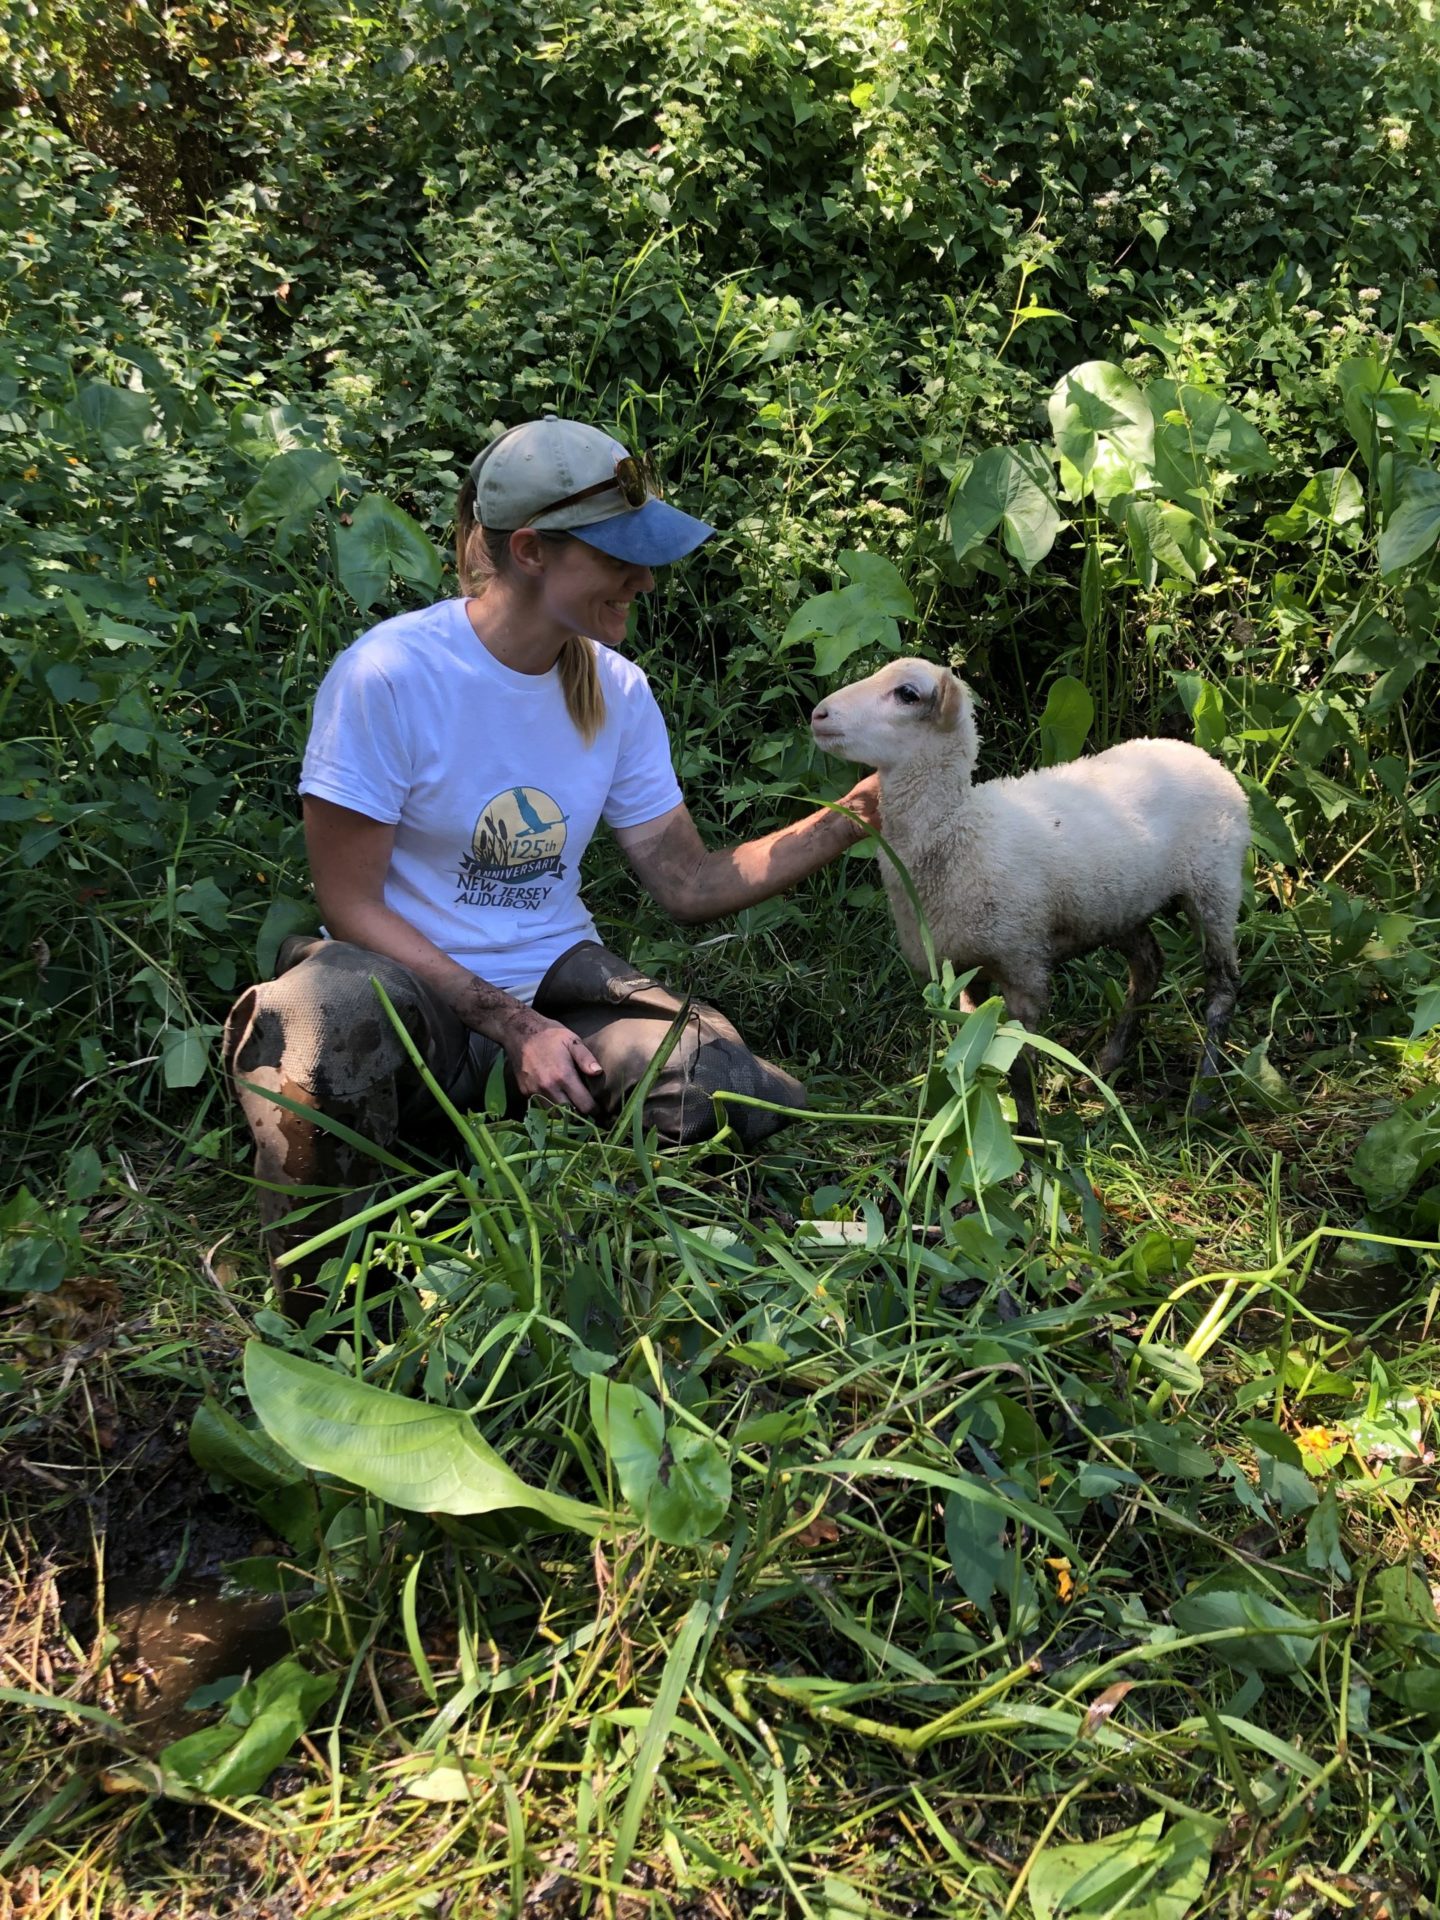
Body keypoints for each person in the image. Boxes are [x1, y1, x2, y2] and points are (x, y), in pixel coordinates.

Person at [223, 414, 880, 1308]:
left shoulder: (617, 691)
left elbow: (689, 882)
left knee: (709, 1077)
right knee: (322, 1010)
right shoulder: (390, 677)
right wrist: (511, 1027)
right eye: (619, 558)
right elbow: (351, 905)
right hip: (416, 1011)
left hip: (560, 1003)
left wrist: (857, 813)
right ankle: (325, 1299)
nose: (644, 581)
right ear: (531, 550)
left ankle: (572, 1194)